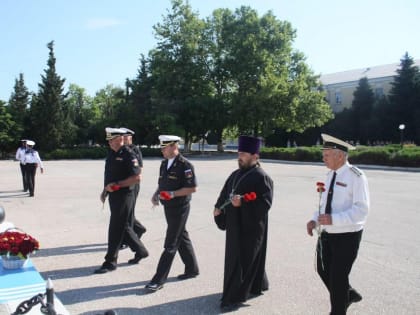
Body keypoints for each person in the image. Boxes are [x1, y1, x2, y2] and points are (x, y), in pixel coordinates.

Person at [306, 133, 370, 315]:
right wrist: (314, 219)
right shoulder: (330, 175)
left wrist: (335, 219)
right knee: (322, 269)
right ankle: (347, 295)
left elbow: (361, 210)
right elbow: (324, 205)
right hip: (328, 233)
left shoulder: (356, 177)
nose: (323, 158)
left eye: (326, 155)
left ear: (340, 155)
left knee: (338, 278)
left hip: (347, 236)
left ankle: (338, 310)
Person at [213, 135, 274, 311]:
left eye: (244, 154)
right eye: (239, 153)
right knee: (246, 259)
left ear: (255, 156)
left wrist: (244, 203)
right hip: (234, 225)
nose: (240, 156)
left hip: (251, 227)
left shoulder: (261, 177)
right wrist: (218, 209)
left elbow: (265, 203)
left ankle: (232, 298)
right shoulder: (235, 175)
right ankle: (258, 283)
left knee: (242, 260)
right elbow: (224, 194)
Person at [145, 135, 199, 292]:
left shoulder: (185, 165)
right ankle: (192, 269)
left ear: (174, 146)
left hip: (180, 207)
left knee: (171, 243)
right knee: (181, 236)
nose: (162, 150)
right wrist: (156, 194)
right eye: (161, 147)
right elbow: (162, 182)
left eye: (164, 147)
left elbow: (192, 188)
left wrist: (173, 194)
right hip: (167, 206)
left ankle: (158, 280)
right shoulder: (164, 163)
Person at [94, 128, 149, 274]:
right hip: (114, 195)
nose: (110, 143)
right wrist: (105, 190)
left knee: (115, 228)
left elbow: (137, 177)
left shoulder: (129, 154)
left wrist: (117, 185)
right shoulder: (112, 153)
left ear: (120, 139)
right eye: (109, 140)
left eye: (112, 140)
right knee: (123, 226)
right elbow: (110, 175)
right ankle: (141, 251)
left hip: (125, 195)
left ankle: (110, 262)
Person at [119, 127, 147, 252]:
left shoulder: (135, 150)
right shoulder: (120, 149)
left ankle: (126, 240)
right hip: (121, 185)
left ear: (131, 137)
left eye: (126, 137)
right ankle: (138, 229)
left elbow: (140, 168)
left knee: (128, 212)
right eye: (122, 137)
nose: (124, 139)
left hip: (132, 184)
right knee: (125, 212)